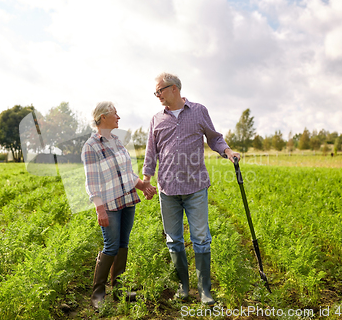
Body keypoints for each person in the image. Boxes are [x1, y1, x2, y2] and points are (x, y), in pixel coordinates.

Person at [142, 73, 240, 305]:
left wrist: (227, 152)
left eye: (160, 90)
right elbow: (150, 153)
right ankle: (183, 288)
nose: (157, 95)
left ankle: (204, 291)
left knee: (201, 239)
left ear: (174, 88)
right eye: (155, 92)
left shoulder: (198, 111)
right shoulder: (156, 119)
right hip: (167, 189)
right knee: (173, 240)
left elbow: (214, 138)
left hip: (195, 186)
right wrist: (146, 178)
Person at [82, 101, 157, 309]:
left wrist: (143, 186)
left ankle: (119, 291)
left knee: (123, 245)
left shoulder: (117, 141)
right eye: (115, 114)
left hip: (127, 200)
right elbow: (92, 181)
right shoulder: (91, 146)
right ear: (103, 117)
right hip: (109, 204)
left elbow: (127, 174)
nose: (119, 117)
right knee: (111, 246)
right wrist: (99, 208)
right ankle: (98, 294)